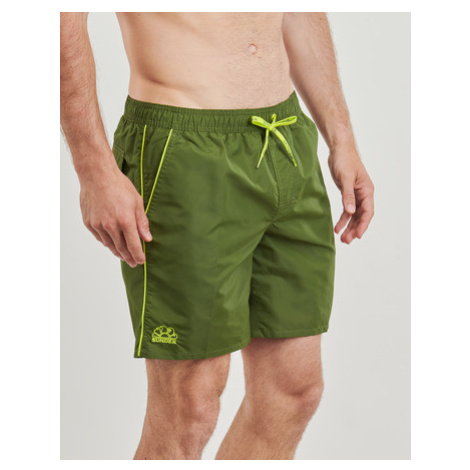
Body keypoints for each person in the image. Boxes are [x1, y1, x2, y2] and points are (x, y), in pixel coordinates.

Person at [60, 12, 374, 460]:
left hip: (286, 138)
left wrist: (342, 137)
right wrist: (93, 169)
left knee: (293, 391)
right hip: (184, 146)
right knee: (189, 408)